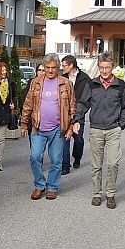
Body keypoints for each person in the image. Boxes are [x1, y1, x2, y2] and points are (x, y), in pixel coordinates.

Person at [73, 51, 125, 209]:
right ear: (98, 67)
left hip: (113, 129)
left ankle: (110, 194)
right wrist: (77, 119)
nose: (104, 71)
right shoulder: (92, 85)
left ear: (112, 67)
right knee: (96, 165)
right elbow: (83, 104)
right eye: (101, 68)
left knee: (113, 163)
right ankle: (97, 193)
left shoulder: (121, 85)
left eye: (107, 67)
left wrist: (121, 124)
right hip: (96, 130)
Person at [20, 53, 76, 200]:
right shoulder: (36, 83)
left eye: (53, 68)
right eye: (47, 68)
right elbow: (28, 104)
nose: (50, 71)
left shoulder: (66, 83)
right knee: (35, 156)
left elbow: (72, 107)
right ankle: (39, 185)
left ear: (57, 68)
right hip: (38, 128)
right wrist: (24, 123)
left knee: (56, 160)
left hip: (58, 129)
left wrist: (70, 127)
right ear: (43, 67)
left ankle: (52, 187)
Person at [61, 55, 91, 175]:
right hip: (64, 114)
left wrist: (80, 113)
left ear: (71, 65)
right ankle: (65, 165)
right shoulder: (62, 78)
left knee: (78, 140)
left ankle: (77, 157)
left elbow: (87, 98)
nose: (62, 68)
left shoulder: (85, 79)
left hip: (79, 115)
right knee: (65, 140)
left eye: (64, 65)